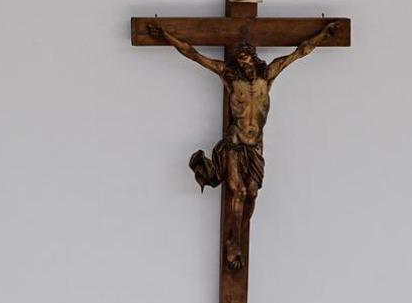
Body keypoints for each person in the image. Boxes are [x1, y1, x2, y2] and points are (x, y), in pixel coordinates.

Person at [146, 20, 340, 270]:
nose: (245, 64)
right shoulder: (228, 77)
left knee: (252, 193)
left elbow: (300, 51)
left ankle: (236, 236)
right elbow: (192, 54)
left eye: (248, 60)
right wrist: (165, 35)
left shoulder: (268, 75)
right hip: (235, 144)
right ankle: (234, 242)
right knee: (238, 192)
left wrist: (324, 35)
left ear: (255, 59)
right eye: (241, 61)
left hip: (255, 146)